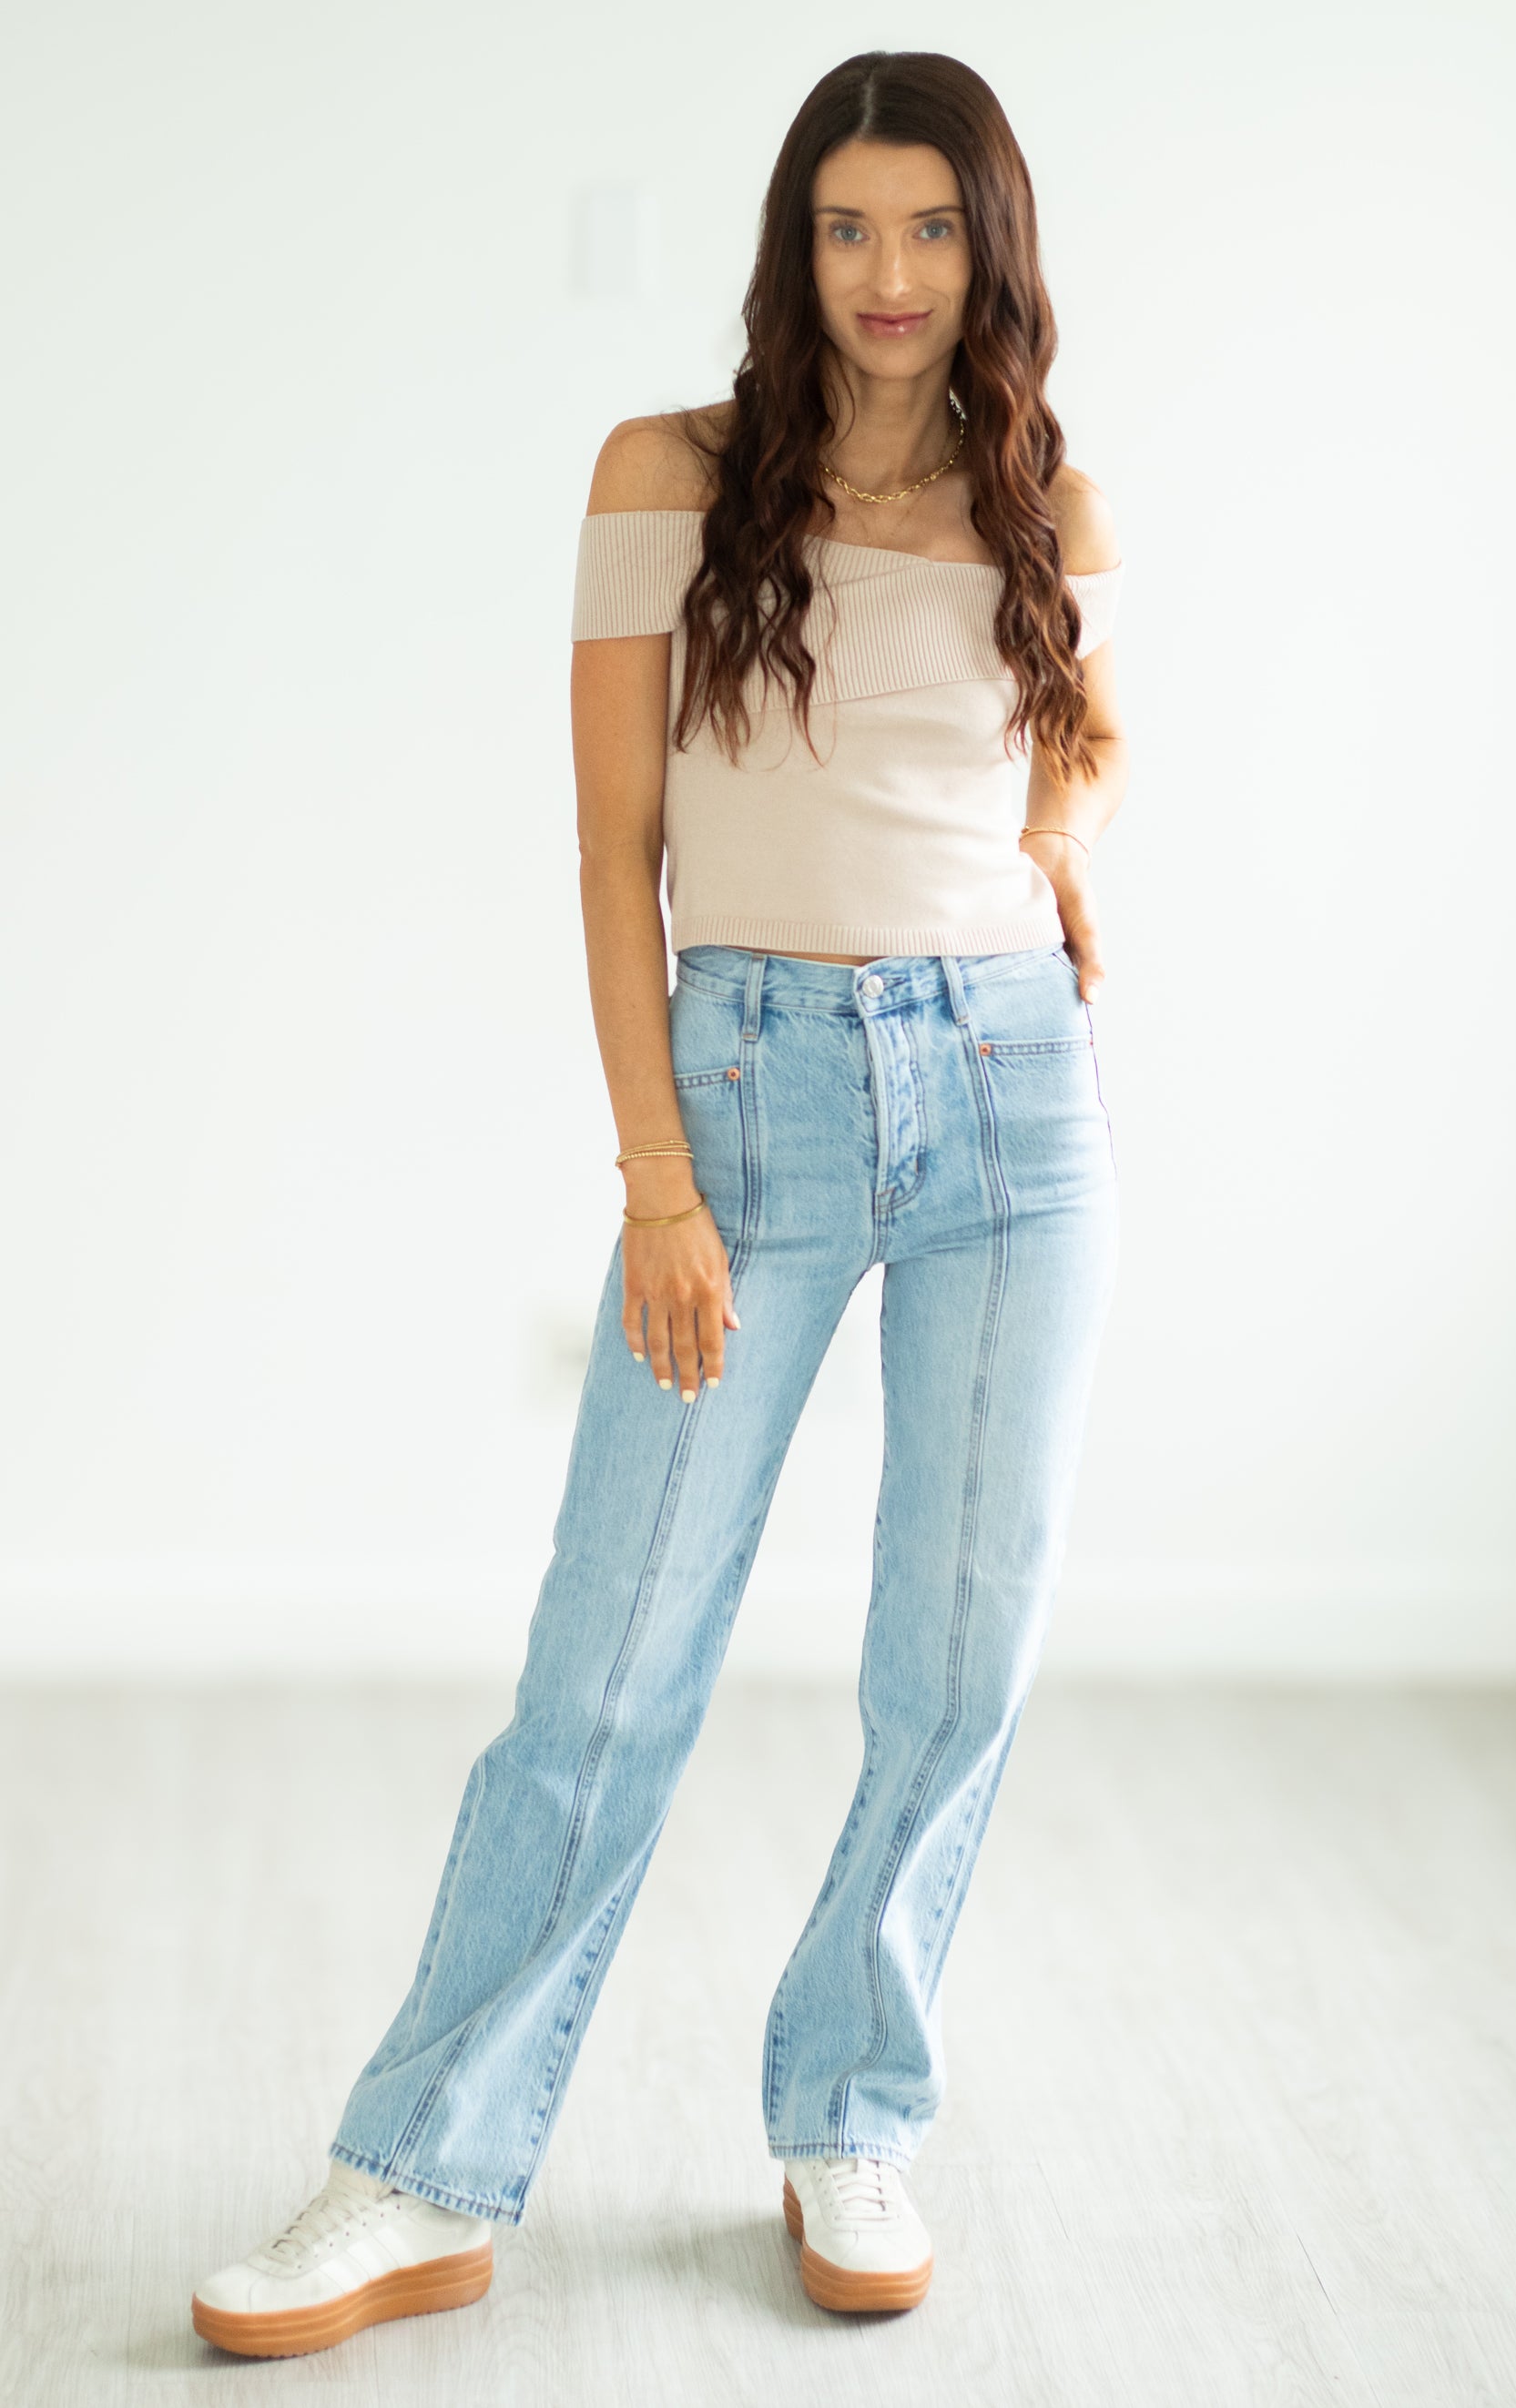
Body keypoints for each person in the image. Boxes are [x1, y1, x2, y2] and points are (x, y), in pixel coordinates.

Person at [190, 46, 1127, 2358]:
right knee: (605, 1675)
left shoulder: (1049, 507)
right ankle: (418, 2172)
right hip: (751, 1089)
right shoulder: (669, 477)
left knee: (956, 1661)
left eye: (930, 229)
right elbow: (613, 851)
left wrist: (1066, 861)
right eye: (846, 226)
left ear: (985, 251)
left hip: (1015, 1106)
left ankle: (850, 2110)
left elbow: (1079, 740)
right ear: (793, 246)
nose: (888, 276)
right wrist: (659, 1180)